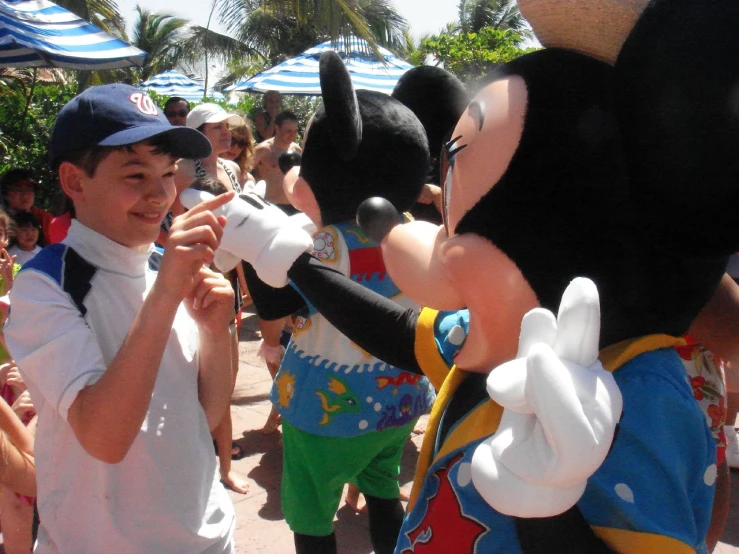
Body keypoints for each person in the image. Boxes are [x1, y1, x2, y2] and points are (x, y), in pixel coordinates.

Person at [4, 83, 237, 553]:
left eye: (168, 173)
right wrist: (167, 295)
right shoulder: (45, 285)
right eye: (135, 175)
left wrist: (217, 330)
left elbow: (206, 415)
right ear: (74, 182)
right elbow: (105, 439)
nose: (160, 194)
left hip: (209, 536)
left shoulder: (163, 267)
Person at [178, 102, 251, 495]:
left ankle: (222, 465)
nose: (226, 133)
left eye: (228, 126)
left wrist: (243, 277)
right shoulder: (184, 170)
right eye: (216, 127)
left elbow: (241, 229)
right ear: (196, 131)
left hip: (228, 280)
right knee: (200, 374)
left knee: (229, 373)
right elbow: (164, 225)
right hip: (193, 279)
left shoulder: (235, 170)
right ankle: (212, 463)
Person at [252, 110, 302, 213]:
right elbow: (244, 173)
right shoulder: (263, 150)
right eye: (288, 131)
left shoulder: (297, 150)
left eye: (295, 131)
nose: (292, 135)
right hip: (272, 206)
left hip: (295, 206)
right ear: (277, 128)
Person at [0, 169, 53, 246]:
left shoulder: (44, 218)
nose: (25, 195)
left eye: (29, 190)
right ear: (6, 195)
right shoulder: (2, 220)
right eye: (18, 190)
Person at [221, 119, 256, 187]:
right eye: (232, 140)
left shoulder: (247, 181)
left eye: (242, 143)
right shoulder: (198, 169)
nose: (236, 147)